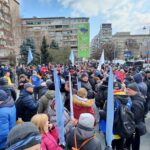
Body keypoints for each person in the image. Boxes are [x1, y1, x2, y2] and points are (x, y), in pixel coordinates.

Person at [125, 83, 146, 150]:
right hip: (135, 126)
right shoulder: (134, 98)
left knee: (135, 143)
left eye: (129, 89)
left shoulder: (136, 103)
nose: (127, 91)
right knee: (133, 142)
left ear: (135, 91)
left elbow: (135, 118)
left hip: (135, 127)